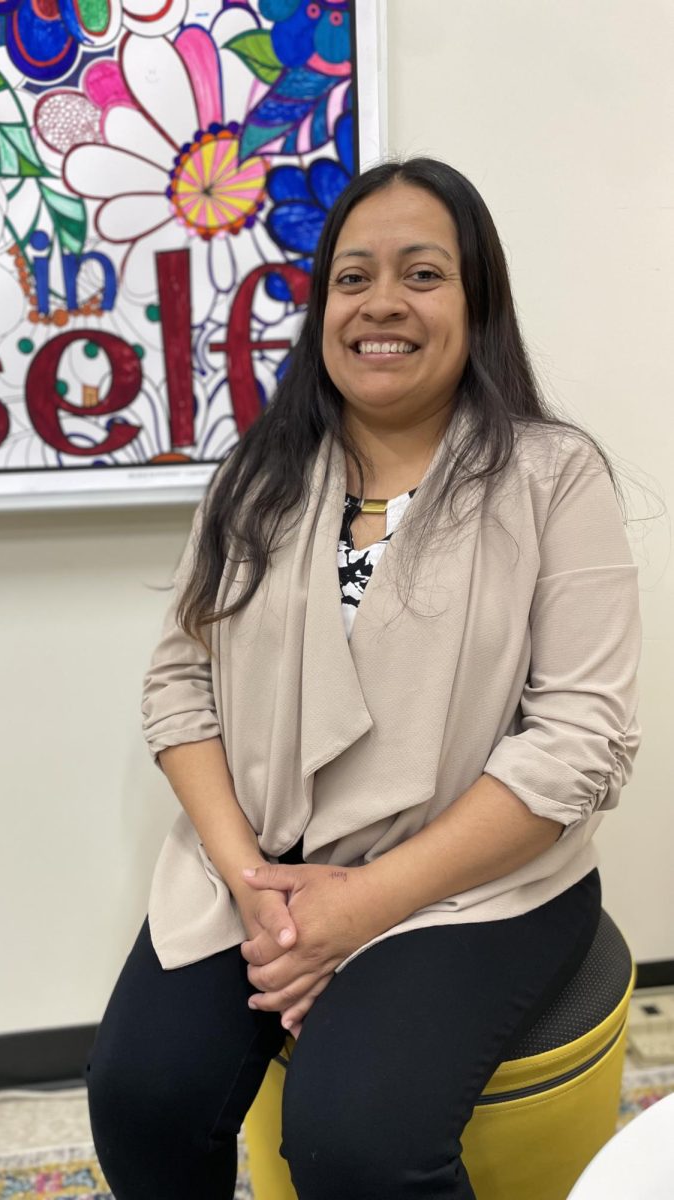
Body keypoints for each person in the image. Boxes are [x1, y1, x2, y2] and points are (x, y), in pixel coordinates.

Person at [86, 158, 641, 1199]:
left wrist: (365, 906)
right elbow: (178, 683)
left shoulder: (552, 476)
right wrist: (255, 884)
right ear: (322, 306)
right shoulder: (261, 473)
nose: (382, 303)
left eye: (423, 274)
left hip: (479, 886)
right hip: (262, 867)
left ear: (477, 303)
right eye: (353, 277)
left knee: (356, 1140)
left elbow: (580, 741)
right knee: (140, 1097)